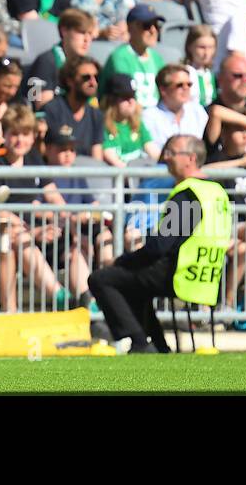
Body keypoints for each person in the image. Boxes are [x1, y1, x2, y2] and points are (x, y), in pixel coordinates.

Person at [88, 134, 231, 354]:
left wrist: (122, 260)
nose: (165, 157)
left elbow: (160, 246)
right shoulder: (216, 191)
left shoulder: (188, 194)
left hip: (177, 273)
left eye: (172, 153)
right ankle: (157, 344)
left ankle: (139, 342)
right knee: (134, 280)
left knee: (101, 278)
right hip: (208, 278)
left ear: (191, 158)